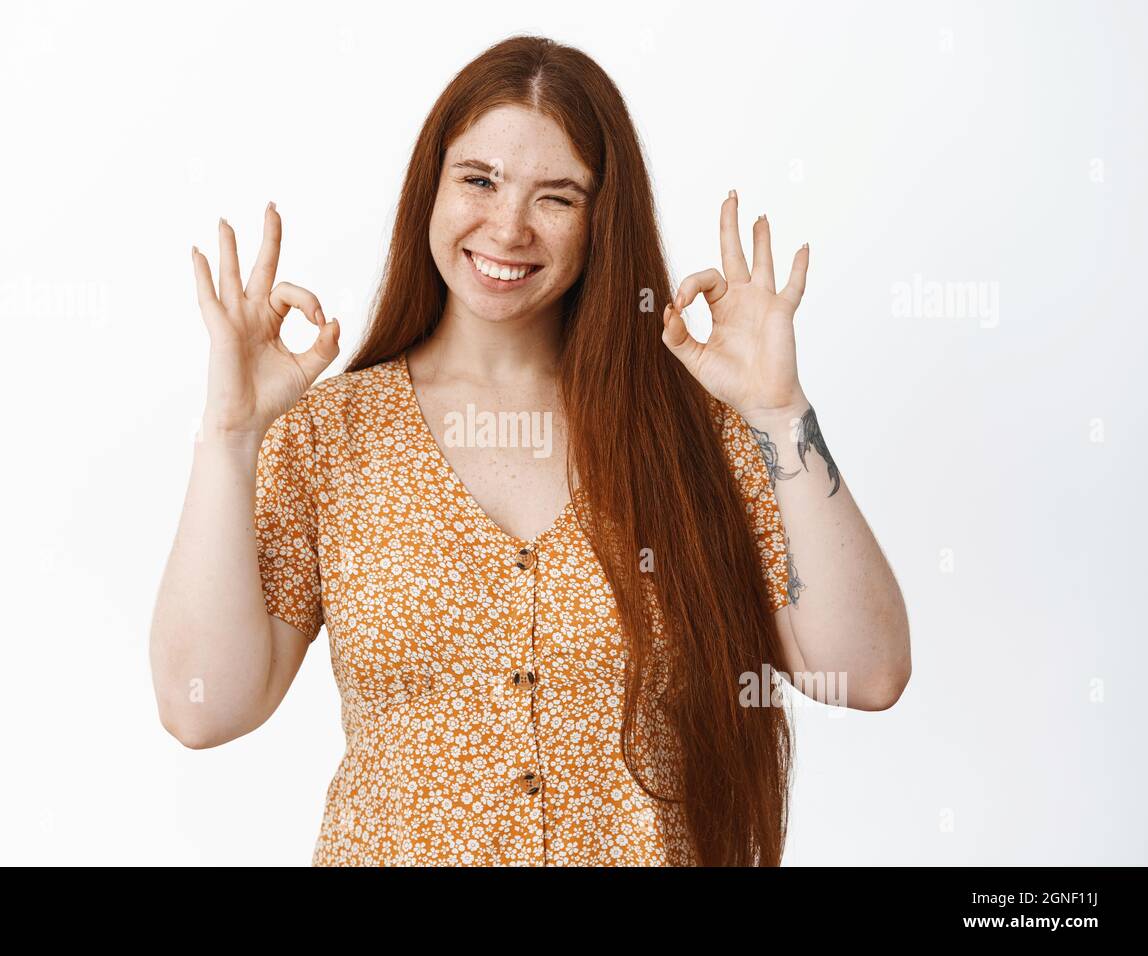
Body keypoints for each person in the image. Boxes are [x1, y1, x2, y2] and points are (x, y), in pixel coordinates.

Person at [149, 34, 911, 866]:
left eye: (558, 197)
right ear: (430, 191)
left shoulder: (694, 429)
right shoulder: (329, 434)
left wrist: (778, 412)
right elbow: (205, 708)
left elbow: (865, 673)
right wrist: (229, 436)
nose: (507, 226)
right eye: (479, 179)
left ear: (600, 223)